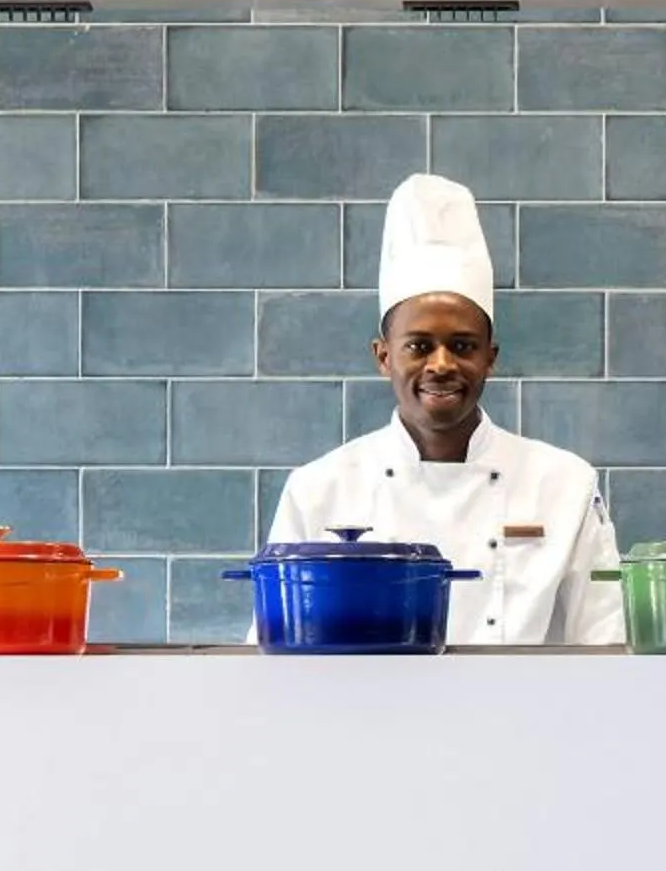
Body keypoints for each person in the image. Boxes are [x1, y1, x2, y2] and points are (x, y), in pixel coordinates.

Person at [265, 173, 626, 646]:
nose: (441, 364)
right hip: (366, 719)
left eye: (462, 345)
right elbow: (270, 654)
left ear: (490, 359)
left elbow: (606, 644)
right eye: (419, 345)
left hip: (525, 718)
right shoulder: (318, 489)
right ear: (383, 357)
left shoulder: (565, 484)